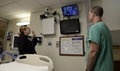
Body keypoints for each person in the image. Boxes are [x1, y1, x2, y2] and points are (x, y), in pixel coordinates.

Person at [85, 6, 114, 71]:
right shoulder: (106, 28)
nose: (88, 15)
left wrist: (88, 69)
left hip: (99, 68)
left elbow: (93, 52)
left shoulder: (94, 28)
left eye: (89, 13)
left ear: (93, 14)